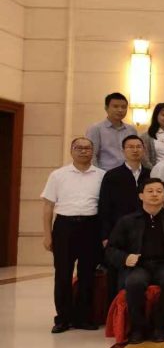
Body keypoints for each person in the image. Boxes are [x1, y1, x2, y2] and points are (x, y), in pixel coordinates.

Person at [105, 177, 164, 343]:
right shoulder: (127, 221)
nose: (155, 194)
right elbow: (111, 249)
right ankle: (138, 328)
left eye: (159, 191)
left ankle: (159, 325)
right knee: (134, 283)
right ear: (141, 195)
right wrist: (125, 258)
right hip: (138, 266)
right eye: (150, 191)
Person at [41, 137, 105, 333]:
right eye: (79, 148)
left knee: (87, 274)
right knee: (63, 273)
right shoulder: (58, 175)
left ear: (93, 151)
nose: (83, 151)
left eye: (87, 148)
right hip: (64, 227)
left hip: (91, 227)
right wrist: (47, 235)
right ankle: (63, 318)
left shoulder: (102, 175)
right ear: (71, 151)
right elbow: (48, 206)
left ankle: (83, 317)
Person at [99, 135, 149, 244]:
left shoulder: (150, 174)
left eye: (138, 147)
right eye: (130, 147)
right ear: (123, 151)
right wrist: (105, 236)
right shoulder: (112, 175)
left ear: (144, 150)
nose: (135, 150)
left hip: (146, 229)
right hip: (119, 228)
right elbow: (104, 206)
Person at [86, 92, 138, 171]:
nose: (120, 110)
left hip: (129, 173)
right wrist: (97, 174)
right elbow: (91, 155)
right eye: (115, 106)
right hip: (105, 173)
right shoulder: (96, 129)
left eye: (123, 107)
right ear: (106, 108)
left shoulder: (131, 130)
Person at [139, 102, 164, 169]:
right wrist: (155, 171)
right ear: (156, 116)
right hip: (155, 172)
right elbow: (144, 159)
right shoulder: (146, 136)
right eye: (163, 115)